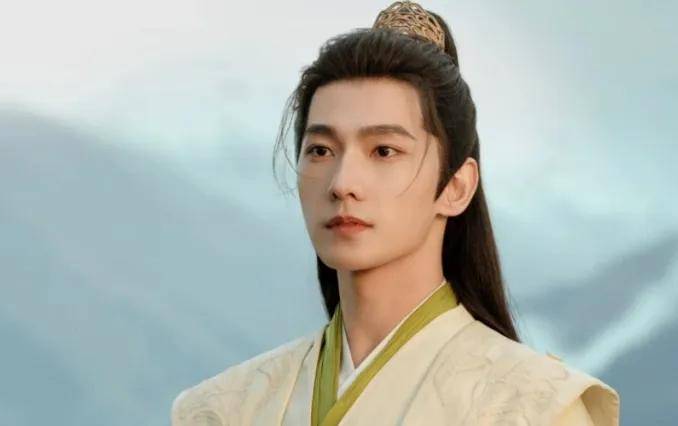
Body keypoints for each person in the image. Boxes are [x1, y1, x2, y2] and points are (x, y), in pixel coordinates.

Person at [170, 1, 620, 424]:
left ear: (456, 186)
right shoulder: (223, 409)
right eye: (321, 150)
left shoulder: (533, 408)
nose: (342, 183)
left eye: (383, 150)